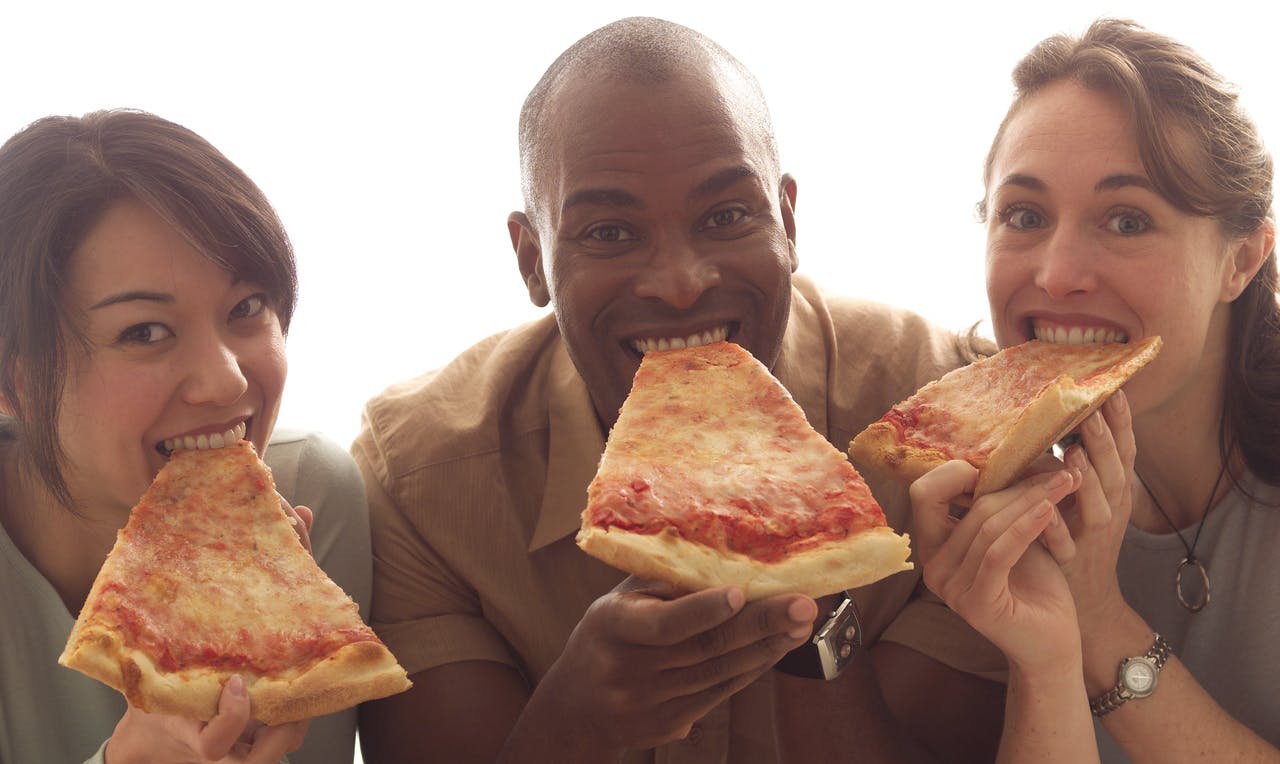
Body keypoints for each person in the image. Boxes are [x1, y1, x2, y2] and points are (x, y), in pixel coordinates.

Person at [353, 15, 996, 764]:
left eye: (726, 216)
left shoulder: (945, 414)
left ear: (787, 221)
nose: (683, 285)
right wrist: (575, 727)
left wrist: (813, 609)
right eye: (609, 233)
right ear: (532, 260)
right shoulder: (418, 478)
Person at [898, 18, 1279, 762]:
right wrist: (1043, 652)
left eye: (1127, 219)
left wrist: (1100, 622)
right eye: (1025, 216)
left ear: (1242, 259)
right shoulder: (1008, 484)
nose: (1056, 273)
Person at [0, 110, 373, 764]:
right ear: (13, 384)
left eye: (245, 308)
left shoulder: (313, 488)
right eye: (145, 332)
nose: (227, 383)